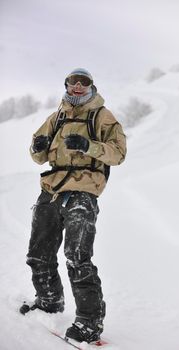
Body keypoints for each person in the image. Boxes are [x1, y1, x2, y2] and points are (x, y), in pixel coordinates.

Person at [21, 68, 127, 344]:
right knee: (38, 253)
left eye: (84, 82)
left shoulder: (102, 116)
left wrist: (88, 146)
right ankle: (49, 301)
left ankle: (89, 323)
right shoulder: (56, 117)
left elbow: (118, 154)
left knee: (77, 257)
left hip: (83, 191)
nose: (78, 86)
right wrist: (38, 147)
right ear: (66, 85)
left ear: (92, 86)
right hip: (52, 189)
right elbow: (38, 157)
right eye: (73, 82)